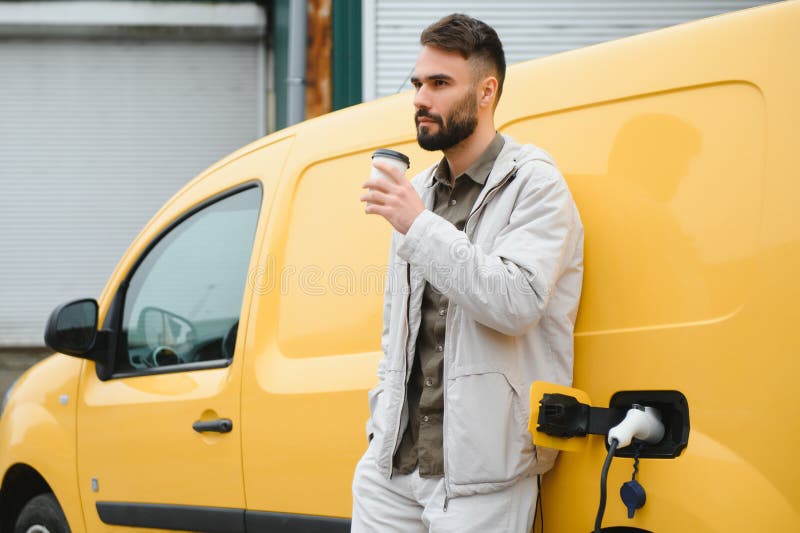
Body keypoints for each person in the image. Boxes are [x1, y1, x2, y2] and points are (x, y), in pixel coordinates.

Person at [354, 13, 584, 532]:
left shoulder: (535, 185)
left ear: (486, 91)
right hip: (391, 472)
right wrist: (378, 431)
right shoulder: (419, 191)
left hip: (482, 481)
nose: (420, 98)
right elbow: (397, 331)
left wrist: (418, 226)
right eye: (417, 83)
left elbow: (516, 302)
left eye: (440, 83)